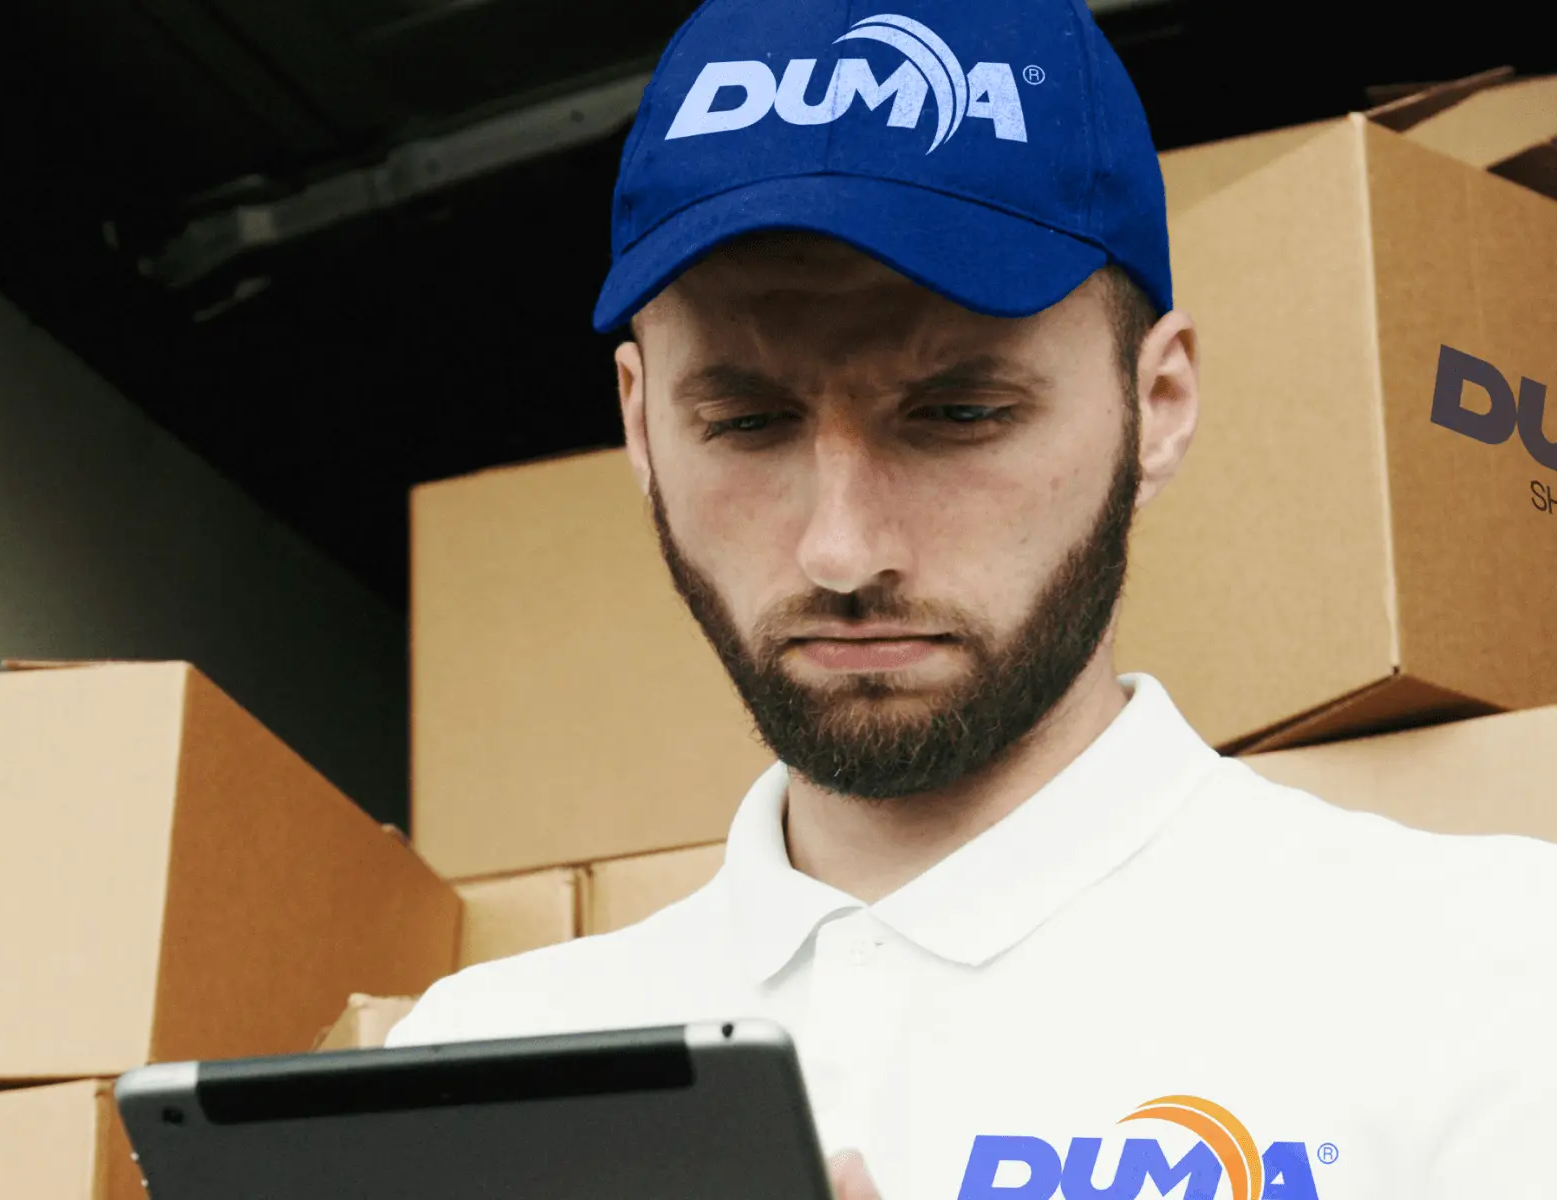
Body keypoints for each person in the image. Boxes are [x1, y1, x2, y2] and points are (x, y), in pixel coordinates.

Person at [383, 0, 1557, 1197]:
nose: (842, 553)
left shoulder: (1496, 981)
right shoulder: (471, 1070)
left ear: (1157, 406)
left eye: (958, 416)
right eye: (746, 423)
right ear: (639, 423)